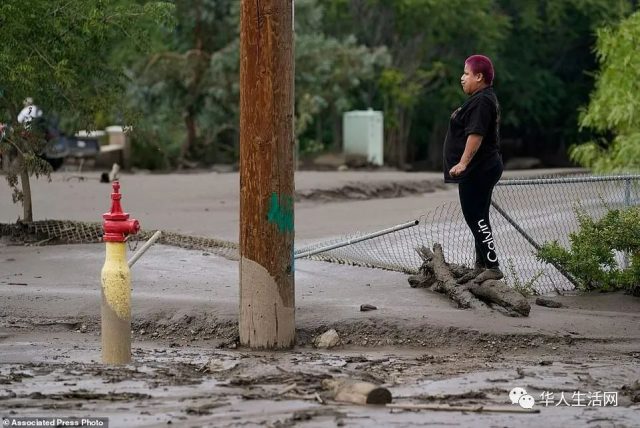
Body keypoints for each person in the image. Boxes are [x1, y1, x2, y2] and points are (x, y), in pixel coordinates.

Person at [443, 54, 504, 284]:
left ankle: (493, 266)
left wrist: (463, 163)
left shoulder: (481, 101)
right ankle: (482, 266)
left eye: (466, 74)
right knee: (479, 217)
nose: (462, 78)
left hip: (479, 169)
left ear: (479, 77)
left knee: (475, 217)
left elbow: (475, 135)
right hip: (483, 168)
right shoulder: (482, 99)